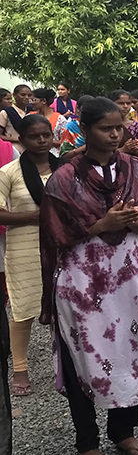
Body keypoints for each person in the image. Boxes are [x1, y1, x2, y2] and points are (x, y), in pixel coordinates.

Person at [39, 96, 138, 455]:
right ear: (85, 127)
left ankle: (124, 430)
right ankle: (87, 441)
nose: (115, 135)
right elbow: (53, 232)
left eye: (120, 127)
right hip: (83, 278)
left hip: (128, 272)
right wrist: (101, 225)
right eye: (105, 128)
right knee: (85, 353)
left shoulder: (137, 169)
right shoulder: (65, 176)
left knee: (132, 345)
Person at [0, 117, 40, 397]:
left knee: (63, 308)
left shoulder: (64, 168)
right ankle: (20, 368)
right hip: (22, 247)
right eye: (34, 136)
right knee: (23, 308)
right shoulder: (9, 172)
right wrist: (34, 217)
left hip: (59, 247)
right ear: (22, 139)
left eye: (46, 135)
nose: (42, 141)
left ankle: (65, 364)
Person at [109, 90, 138, 158]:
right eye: (121, 103)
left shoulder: (136, 126)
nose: (125, 106)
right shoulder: (106, 125)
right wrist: (123, 149)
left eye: (128, 103)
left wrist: (135, 148)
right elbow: (100, 153)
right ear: (112, 104)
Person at [29, 88, 68, 152]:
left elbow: (65, 141)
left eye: (34, 100)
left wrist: (46, 142)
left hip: (54, 154)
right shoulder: (30, 117)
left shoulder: (60, 119)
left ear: (43, 101)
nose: (31, 103)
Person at [0, 85, 32, 151]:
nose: (26, 97)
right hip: (14, 149)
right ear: (14, 95)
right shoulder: (6, 112)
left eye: (29, 95)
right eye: (23, 95)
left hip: (31, 149)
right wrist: (18, 139)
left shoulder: (32, 110)